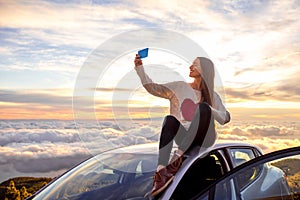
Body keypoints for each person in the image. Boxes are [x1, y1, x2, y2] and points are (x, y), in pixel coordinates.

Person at [134, 54, 230, 196]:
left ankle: (177, 158)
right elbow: (153, 88)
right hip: (183, 136)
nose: (190, 67)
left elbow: (225, 118)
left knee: (203, 108)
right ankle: (161, 173)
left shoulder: (213, 96)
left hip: (204, 138)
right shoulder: (179, 87)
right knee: (169, 120)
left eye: (195, 65)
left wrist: (208, 109)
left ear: (204, 70)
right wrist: (140, 69)